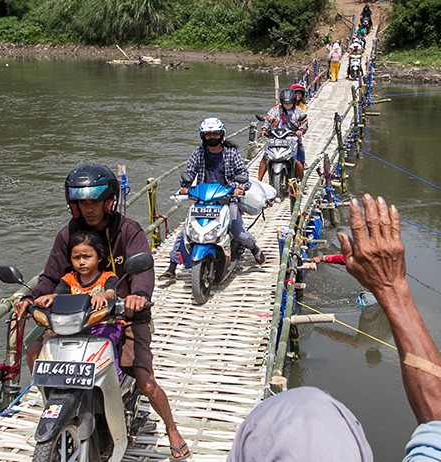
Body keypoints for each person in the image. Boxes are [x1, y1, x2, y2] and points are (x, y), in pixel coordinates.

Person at [228, 194, 441, 462]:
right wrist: (392, 288)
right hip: (380, 301)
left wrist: (381, 290)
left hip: (370, 300)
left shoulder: (368, 342)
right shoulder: (381, 338)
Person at [15, 163, 191, 461]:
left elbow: (142, 269)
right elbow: (51, 276)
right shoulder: (68, 234)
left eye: (95, 202)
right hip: (76, 318)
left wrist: (138, 296)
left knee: (145, 380)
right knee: (35, 351)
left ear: (108, 201)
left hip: (123, 315)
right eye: (83, 202)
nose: (89, 209)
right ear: (74, 204)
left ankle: (172, 430)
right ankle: (57, 403)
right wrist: (30, 297)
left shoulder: (128, 230)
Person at [159, 117, 266, 281]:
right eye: (208, 134)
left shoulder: (231, 152)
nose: (212, 137)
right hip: (203, 200)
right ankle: (172, 267)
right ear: (203, 136)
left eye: (215, 133)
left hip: (226, 199)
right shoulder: (198, 153)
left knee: (238, 231)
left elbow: (243, 173)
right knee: (186, 231)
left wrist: (239, 188)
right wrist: (185, 186)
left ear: (221, 134)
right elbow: (189, 171)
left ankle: (253, 248)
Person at [25, 230, 125, 378]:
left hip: (103, 325)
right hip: (72, 327)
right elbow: (58, 294)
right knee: (42, 344)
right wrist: (48, 297)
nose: (81, 262)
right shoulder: (68, 279)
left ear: (99, 257)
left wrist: (102, 295)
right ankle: (52, 379)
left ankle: (113, 376)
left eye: (87, 257)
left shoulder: (108, 277)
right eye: (76, 258)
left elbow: (111, 292)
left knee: (106, 342)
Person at [257, 89, 308, 185]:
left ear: (293, 102)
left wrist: (300, 130)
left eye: (289, 103)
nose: (287, 105)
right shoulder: (276, 109)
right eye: (285, 104)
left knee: (296, 161)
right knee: (265, 157)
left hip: (291, 138)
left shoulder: (298, 111)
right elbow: (268, 120)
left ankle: (303, 183)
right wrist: (264, 129)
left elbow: (304, 122)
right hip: (275, 137)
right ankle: (259, 181)